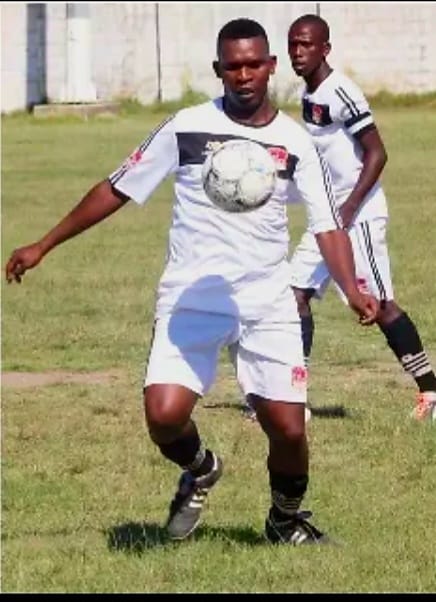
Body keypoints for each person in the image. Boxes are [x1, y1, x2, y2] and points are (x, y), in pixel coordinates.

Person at [5, 18, 378, 546]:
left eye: (254, 65)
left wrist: (352, 289)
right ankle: (201, 469)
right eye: (233, 66)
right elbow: (116, 188)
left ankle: (285, 520)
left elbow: (327, 225)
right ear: (218, 69)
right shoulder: (186, 126)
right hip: (191, 297)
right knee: (163, 416)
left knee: (289, 429)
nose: (244, 75)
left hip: (266, 302)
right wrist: (43, 245)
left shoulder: (294, 142)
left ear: (271, 66)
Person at [285, 13, 436, 421]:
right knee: (294, 296)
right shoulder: (308, 92)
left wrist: (349, 209)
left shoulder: (341, 92)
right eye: (293, 44)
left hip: (359, 215)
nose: (298, 51)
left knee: (380, 305)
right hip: (327, 217)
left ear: (325, 49)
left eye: (306, 44)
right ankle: (293, 398)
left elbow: (377, 153)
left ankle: (431, 390)